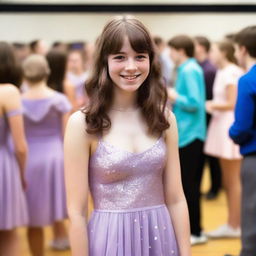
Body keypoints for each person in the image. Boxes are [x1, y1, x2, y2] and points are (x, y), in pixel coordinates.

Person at [64, 16, 191, 256]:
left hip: (161, 238)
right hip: (109, 240)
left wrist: (185, 252)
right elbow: (77, 212)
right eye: (120, 57)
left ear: (151, 61)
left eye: (140, 57)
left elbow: (176, 198)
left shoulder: (164, 119)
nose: (131, 66)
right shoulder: (82, 124)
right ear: (104, 61)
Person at [21, 54, 71, 256]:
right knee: (58, 204)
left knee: (34, 217)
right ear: (47, 72)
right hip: (55, 157)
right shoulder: (59, 100)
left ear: (24, 74)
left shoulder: (17, 100)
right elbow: (66, 136)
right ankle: (62, 238)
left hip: (29, 160)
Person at [167, 35, 207, 245]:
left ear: (181, 50)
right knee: (189, 185)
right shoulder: (188, 69)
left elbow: (194, 103)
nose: (169, 54)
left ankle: (195, 231)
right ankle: (195, 229)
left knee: (189, 186)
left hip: (190, 134)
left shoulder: (190, 70)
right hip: (189, 133)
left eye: (171, 50)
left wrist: (173, 95)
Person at [204, 41, 243, 238]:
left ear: (224, 52)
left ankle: (235, 225)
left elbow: (231, 103)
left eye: (213, 50)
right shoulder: (223, 71)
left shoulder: (231, 72)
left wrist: (210, 105)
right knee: (228, 180)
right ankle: (232, 222)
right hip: (221, 125)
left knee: (233, 180)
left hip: (227, 124)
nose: (210, 53)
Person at [229, 26, 256, 256]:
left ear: (244, 49)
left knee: (252, 213)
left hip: (254, 157)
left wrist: (232, 132)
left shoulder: (248, 80)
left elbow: (242, 128)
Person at [0, 42, 28, 256]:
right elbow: (20, 146)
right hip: (3, 167)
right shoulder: (8, 92)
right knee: (8, 232)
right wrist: (21, 173)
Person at [194, 36, 222, 200]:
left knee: (212, 156)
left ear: (201, 47)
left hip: (209, 116)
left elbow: (209, 96)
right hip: (205, 115)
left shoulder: (208, 70)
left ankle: (215, 187)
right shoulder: (201, 67)